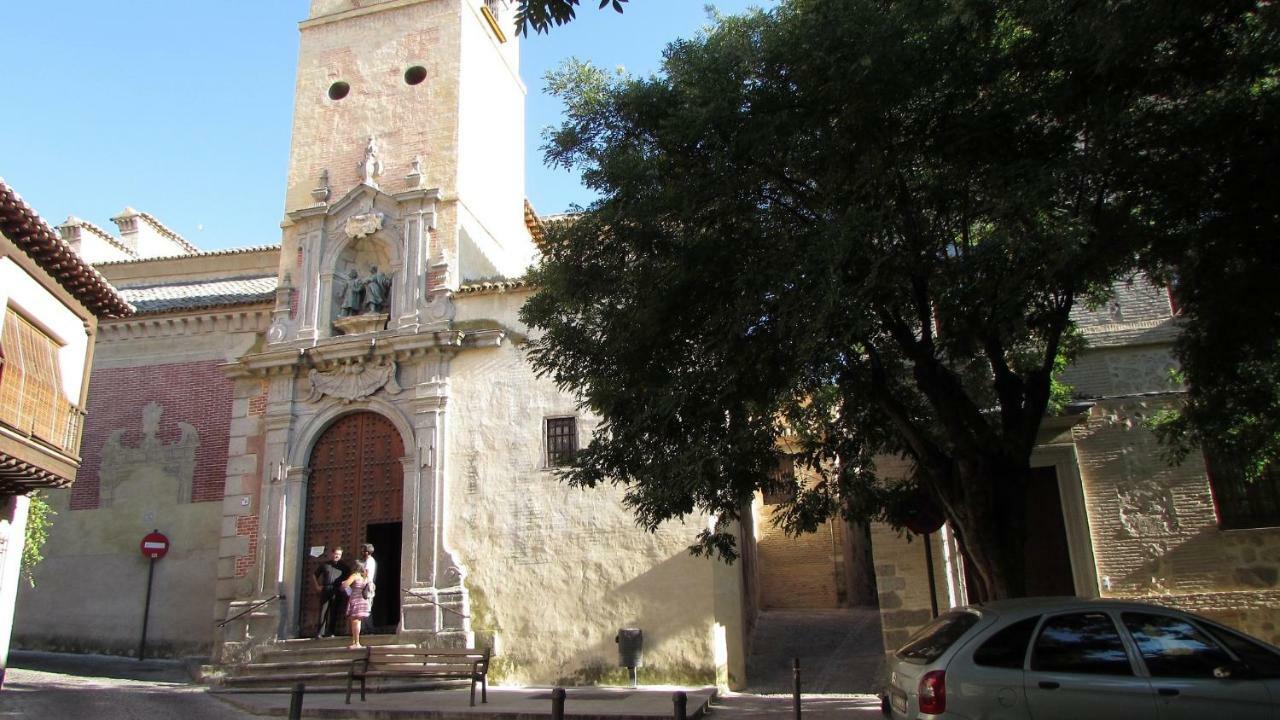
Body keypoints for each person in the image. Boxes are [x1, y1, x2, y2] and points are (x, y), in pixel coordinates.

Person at [311, 546, 349, 638]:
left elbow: (348, 578)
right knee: (323, 611)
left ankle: (331, 632)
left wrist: (344, 587)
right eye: (336, 554)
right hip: (326, 589)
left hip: (337, 591)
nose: (337, 556)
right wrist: (317, 586)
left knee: (334, 611)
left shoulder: (344, 567)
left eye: (339, 554)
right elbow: (314, 575)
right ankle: (320, 633)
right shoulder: (325, 564)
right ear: (332, 554)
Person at [342, 561, 373, 649]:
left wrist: (342, 584)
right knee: (357, 621)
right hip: (363, 600)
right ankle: (355, 641)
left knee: (355, 621)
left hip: (356, 599)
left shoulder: (355, 575)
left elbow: (345, 585)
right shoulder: (365, 577)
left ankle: (357, 642)